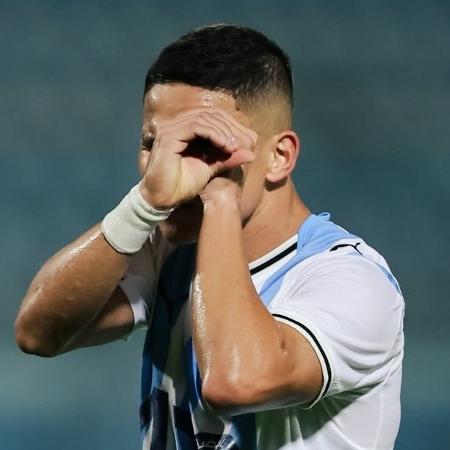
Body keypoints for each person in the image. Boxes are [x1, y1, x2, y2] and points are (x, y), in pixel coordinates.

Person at [15, 24, 405, 450]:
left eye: (201, 146)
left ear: (279, 156)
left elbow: (233, 381)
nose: (167, 166)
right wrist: (143, 204)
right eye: (153, 144)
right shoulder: (169, 250)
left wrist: (220, 197)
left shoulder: (352, 282)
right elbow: (39, 332)